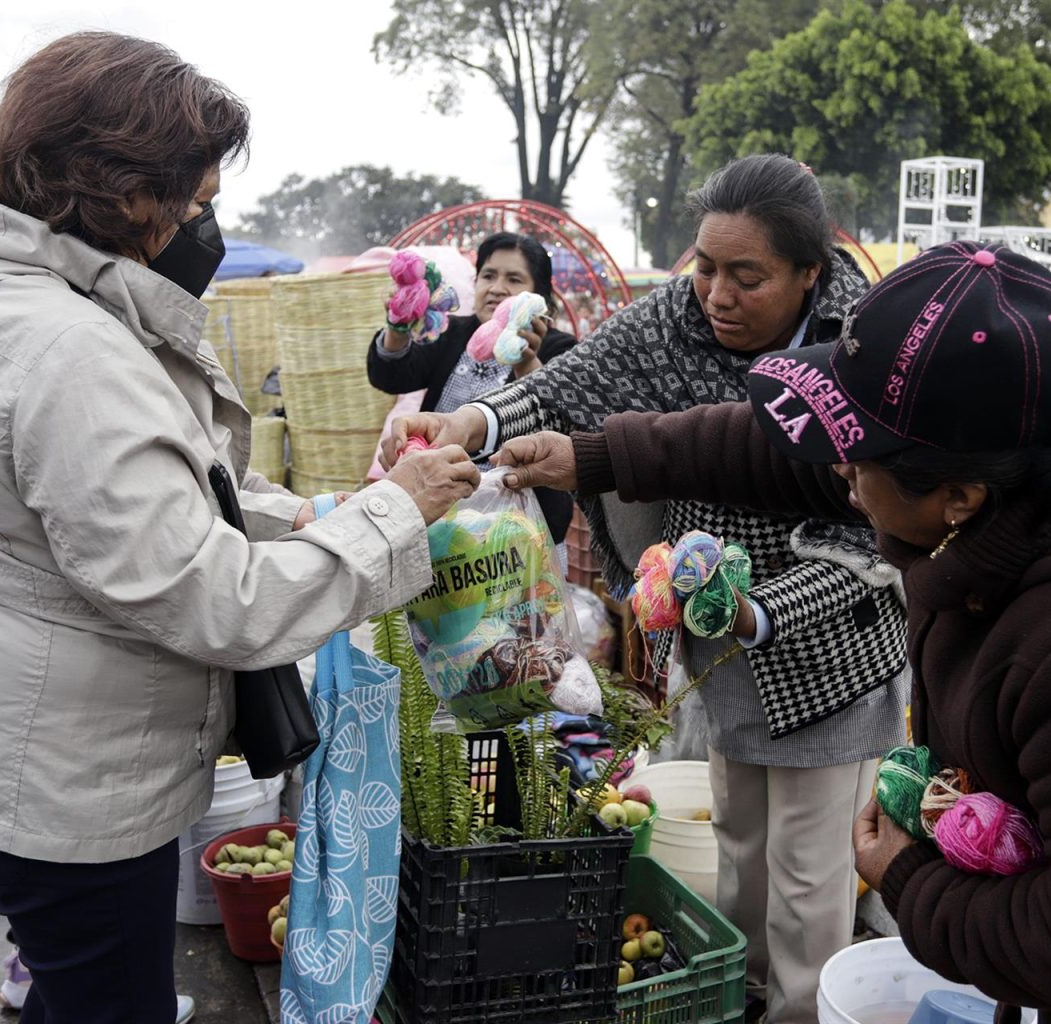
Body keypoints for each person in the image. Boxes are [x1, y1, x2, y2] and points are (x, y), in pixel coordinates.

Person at [492, 241, 1051, 1023]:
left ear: (961, 496)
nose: (839, 469)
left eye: (858, 452)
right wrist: (597, 455)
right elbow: (779, 450)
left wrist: (907, 879)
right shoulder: (992, 481)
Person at [0, 32, 478, 1024]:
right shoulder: (64, 349)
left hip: (17, 751)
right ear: (130, 195)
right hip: (62, 791)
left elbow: (146, 486)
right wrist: (398, 512)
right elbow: (217, 600)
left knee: (75, 995)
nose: (205, 225)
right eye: (198, 202)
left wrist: (307, 512)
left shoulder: (2, 305)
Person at [382, 154, 911, 1024]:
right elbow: (575, 383)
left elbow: (875, 540)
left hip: (826, 643)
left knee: (810, 874)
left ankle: (803, 1011)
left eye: (749, 277)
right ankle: (737, 996)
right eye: (705, 267)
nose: (717, 294)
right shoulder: (678, 314)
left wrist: (758, 609)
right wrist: (473, 419)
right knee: (738, 838)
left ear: (810, 275)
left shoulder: (858, 352)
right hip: (714, 635)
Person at [367, 233, 577, 544]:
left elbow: (561, 414)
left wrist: (525, 362)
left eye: (514, 279)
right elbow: (392, 377)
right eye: (488, 275)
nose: (496, 288)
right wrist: (398, 328)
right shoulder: (454, 330)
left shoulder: (557, 346)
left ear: (537, 295)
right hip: (438, 515)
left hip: (519, 529)